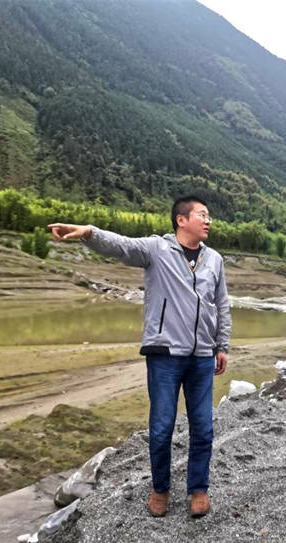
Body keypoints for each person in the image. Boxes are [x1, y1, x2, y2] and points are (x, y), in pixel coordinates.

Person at [48, 195, 231, 519]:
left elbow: (222, 304)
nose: (208, 221)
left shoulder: (214, 259)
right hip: (165, 355)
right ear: (181, 220)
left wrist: (222, 345)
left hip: (202, 355)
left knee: (203, 427)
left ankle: (199, 490)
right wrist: (89, 232)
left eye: (208, 216)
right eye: (202, 215)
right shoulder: (157, 249)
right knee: (161, 427)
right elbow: (121, 246)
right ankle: (160, 490)